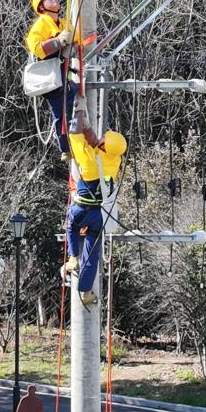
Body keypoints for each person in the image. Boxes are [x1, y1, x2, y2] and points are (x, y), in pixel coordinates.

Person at [61, 107, 127, 307]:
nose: (101, 138)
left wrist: (79, 114)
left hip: (81, 210)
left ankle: (73, 258)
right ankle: (86, 292)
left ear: (105, 145)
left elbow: (75, 137)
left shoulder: (90, 161)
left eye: (104, 139)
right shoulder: (114, 160)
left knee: (71, 226)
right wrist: (89, 129)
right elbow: (95, 143)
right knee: (92, 254)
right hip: (100, 215)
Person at [24, 0, 78, 158]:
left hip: (61, 72)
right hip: (49, 75)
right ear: (41, 7)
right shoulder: (41, 24)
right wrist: (58, 41)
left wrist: (72, 46)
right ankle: (65, 148)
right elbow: (37, 48)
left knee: (72, 92)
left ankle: (70, 141)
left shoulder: (63, 23)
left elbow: (77, 41)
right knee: (60, 112)